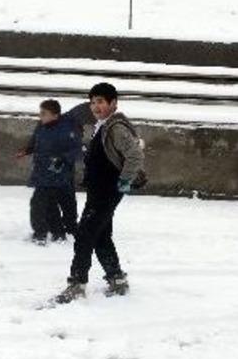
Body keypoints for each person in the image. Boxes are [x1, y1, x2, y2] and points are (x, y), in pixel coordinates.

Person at [55, 82, 146, 304]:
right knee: (101, 235)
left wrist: (125, 180)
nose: (95, 106)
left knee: (84, 235)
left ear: (113, 103)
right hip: (99, 190)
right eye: (93, 102)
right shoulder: (103, 125)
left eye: (101, 102)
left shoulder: (116, 128)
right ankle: (117, 279)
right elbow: (95, 153)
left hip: (107, 191)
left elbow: (135, 155)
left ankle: (77, 285)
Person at [16, 99, 82, 245]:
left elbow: (77, 150)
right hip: (42, 171)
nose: (40, 116)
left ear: (55, 115)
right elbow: (35, 141)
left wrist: (62, 159)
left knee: (39, 204)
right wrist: (27, 150)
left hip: (58, 174)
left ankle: (40, 234)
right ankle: (58, 234)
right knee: (50, 205)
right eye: (40, 112)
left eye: (44, 113)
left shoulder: (68, 129)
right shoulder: (41, 125)